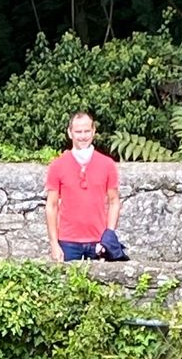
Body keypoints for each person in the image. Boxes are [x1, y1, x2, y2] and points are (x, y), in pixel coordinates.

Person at [44, 111, 126, 262]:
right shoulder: (57, 166)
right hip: (67, 242)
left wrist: (109, 235)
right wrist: (54, 244)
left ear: (94, 131)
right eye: (78, 132)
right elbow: (51, 206)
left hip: (99, 241)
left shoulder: (107, 165)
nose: (83, 136)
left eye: (87, 131)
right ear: (70, 133)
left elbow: (114, 201)